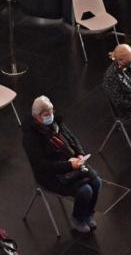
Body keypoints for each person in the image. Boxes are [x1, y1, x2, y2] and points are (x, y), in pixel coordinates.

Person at [23, 96, 103, 232]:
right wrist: (69, 165)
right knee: (85, 191)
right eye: (46, 114)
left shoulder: (56, 124)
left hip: (71, 163)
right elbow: (42, 165)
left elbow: (72, 139)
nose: (51, 116)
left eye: (52, 112)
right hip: (51, 175)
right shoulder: (31, 138)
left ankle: (88, 214)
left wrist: (80, 153)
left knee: (97, 182)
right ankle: (77, 218)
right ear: (36, 117)